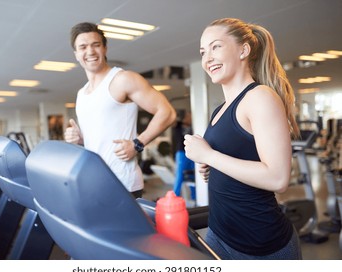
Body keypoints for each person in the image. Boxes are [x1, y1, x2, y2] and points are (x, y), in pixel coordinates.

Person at [183, 18, 302, 259]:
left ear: (243, 50)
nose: (207, 58)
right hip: (220, 234)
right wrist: (211, 167)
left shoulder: (260, 97)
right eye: (203, 52)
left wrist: (209, 155)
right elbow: (235, 159)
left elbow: (278, 178)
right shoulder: (220, 109)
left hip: (261, 246)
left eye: (216, 47)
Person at [64, 22, 176, 199]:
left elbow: (167, 112)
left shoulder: (123, 79)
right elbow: (98, 140)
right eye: (83, 47)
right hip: (93, 182)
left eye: (96, 45)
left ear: (105, 48)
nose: (90, 52)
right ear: (76, 54)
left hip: (123, 183)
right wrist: (80, 140)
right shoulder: (81, 94)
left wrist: (138, 144)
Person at [172, 111, 195, 197]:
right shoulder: (178, 125)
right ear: (184, 117)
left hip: (192, 152)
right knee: (179, 175)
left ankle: (195, 196)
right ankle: (175, 196)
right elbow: (172, 119)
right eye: (188, 116)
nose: (190, 117)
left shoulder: (194, 125)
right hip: (181, 153)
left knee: (193, 175)